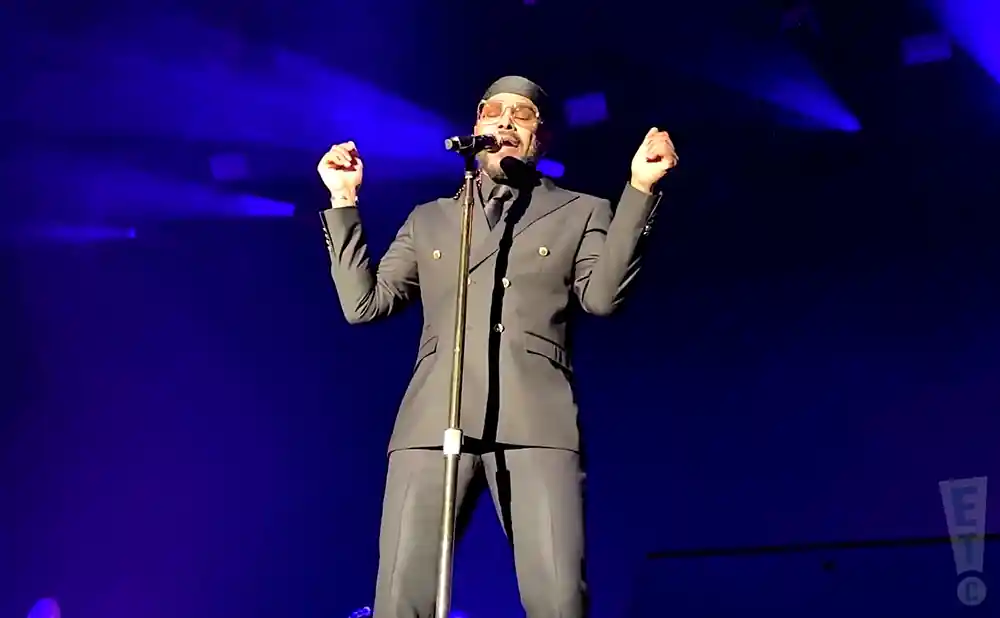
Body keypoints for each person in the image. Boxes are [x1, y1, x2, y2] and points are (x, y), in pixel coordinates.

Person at [317, 76, 677, 618]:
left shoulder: (579, 210)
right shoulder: (432, 219)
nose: (506, 122)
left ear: (540, 139)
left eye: (523, 115)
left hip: (536, 420)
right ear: (475, 128)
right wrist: (343, 201)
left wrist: (639, 190)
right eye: (495, 112)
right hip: (433, 419)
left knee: (557, 600)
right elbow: (365, 305)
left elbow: (602, 298)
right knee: (401, 602)